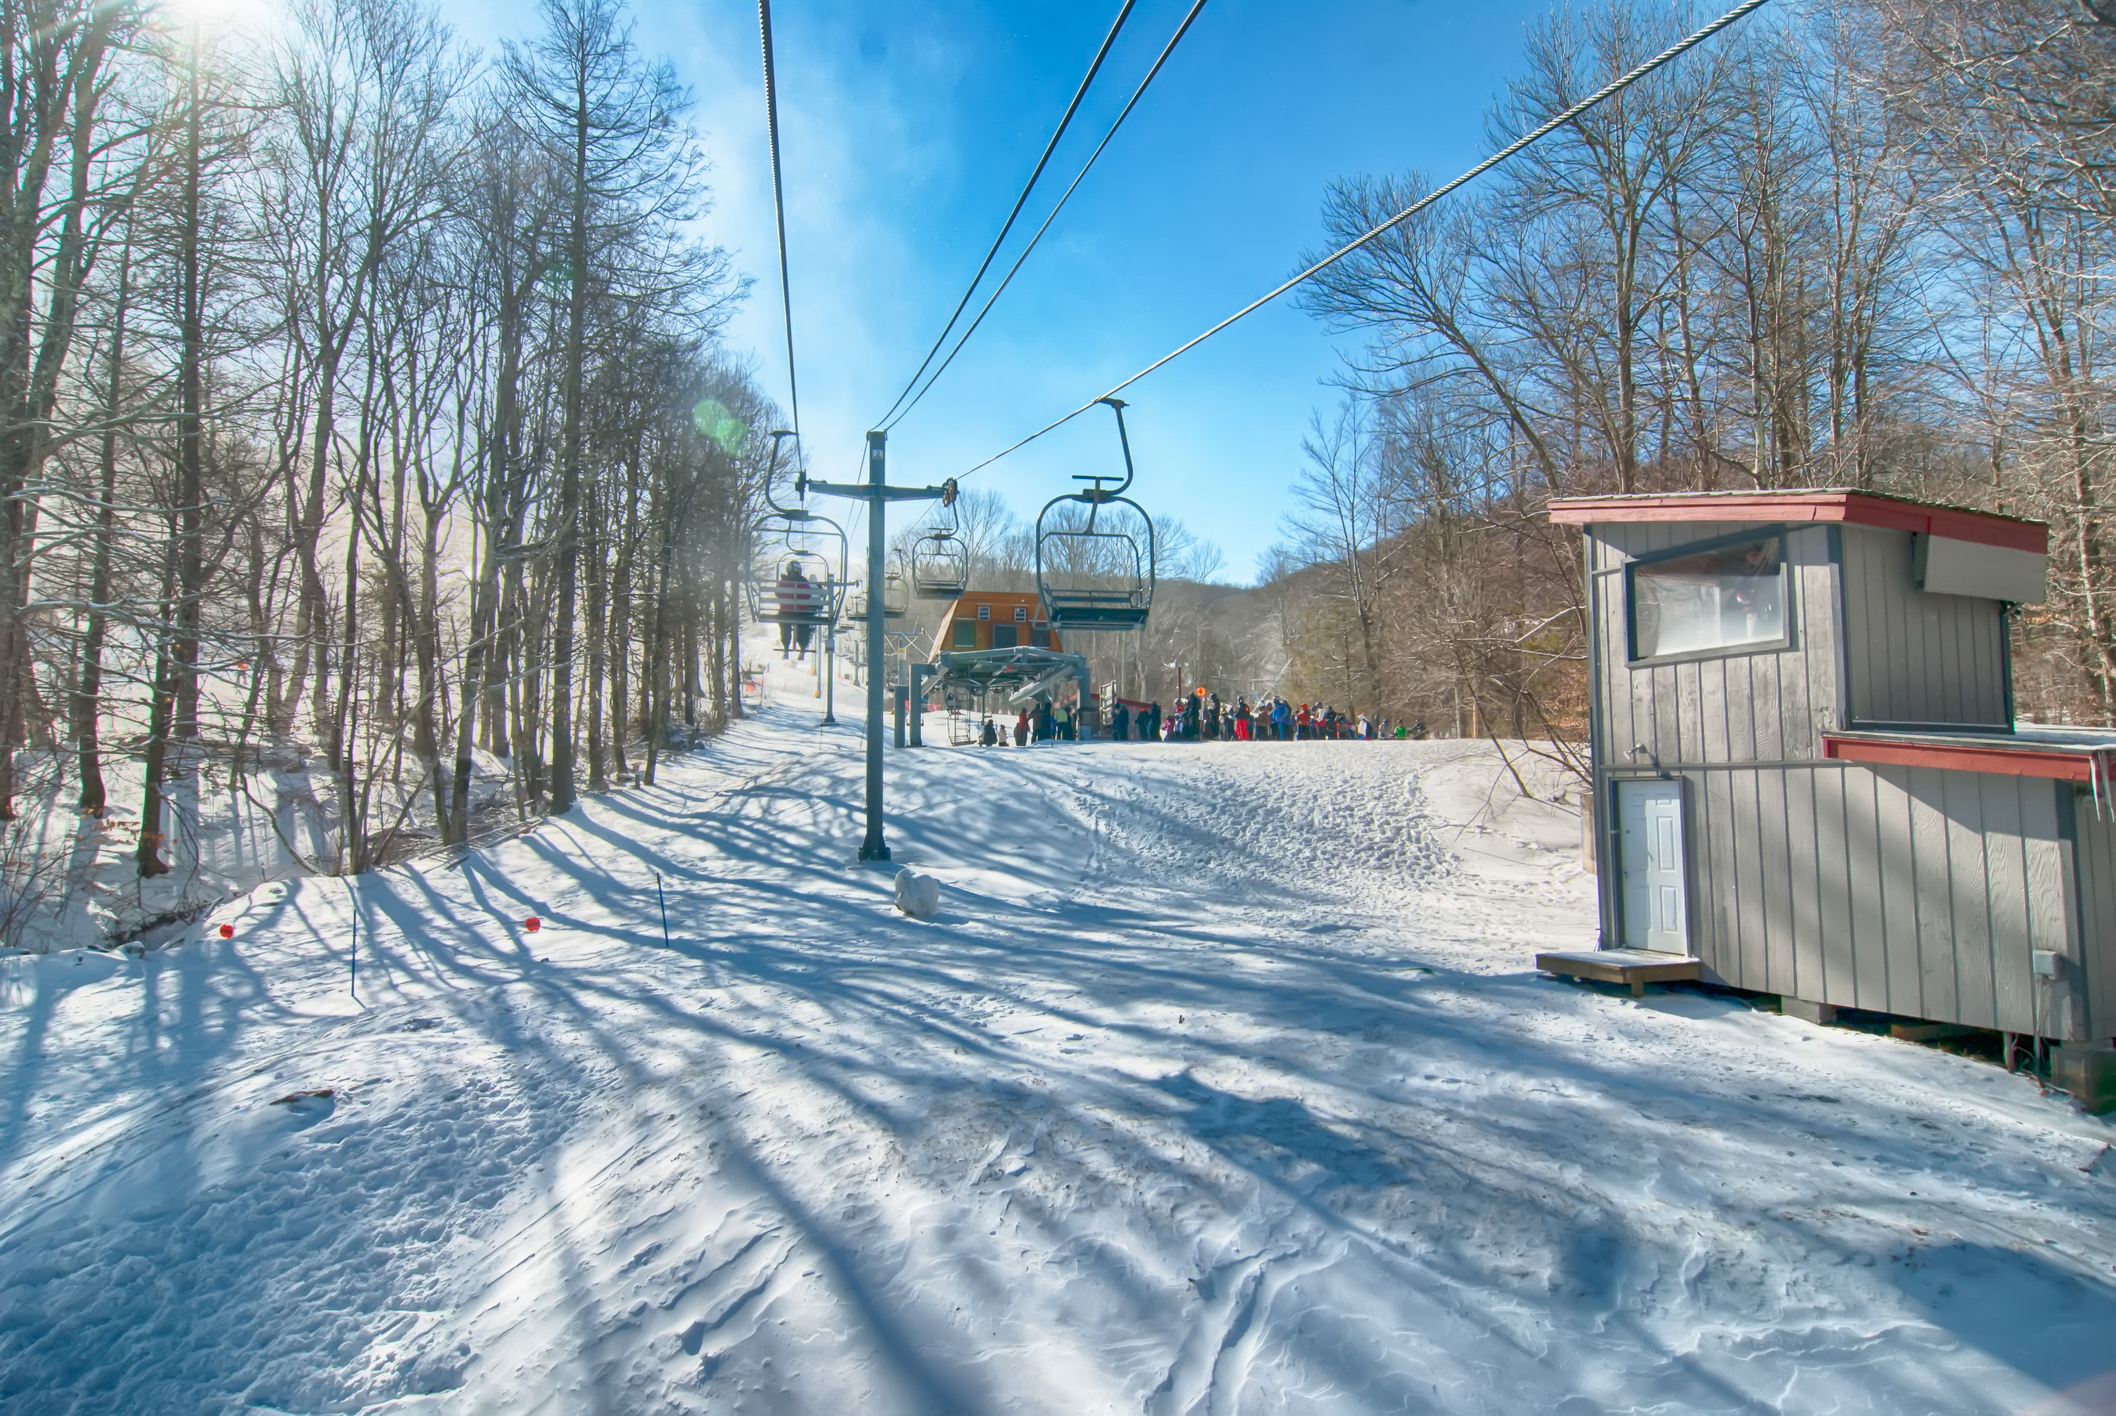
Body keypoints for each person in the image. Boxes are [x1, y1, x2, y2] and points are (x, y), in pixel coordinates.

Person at [775, 561, 818, 659]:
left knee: (784, 624)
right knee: (803, 626)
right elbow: (808, 595)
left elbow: (778, 594)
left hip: (785, 613)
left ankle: (785, 645)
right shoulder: (804, 582)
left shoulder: (783, 583)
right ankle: (802, 647)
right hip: (801, 613)